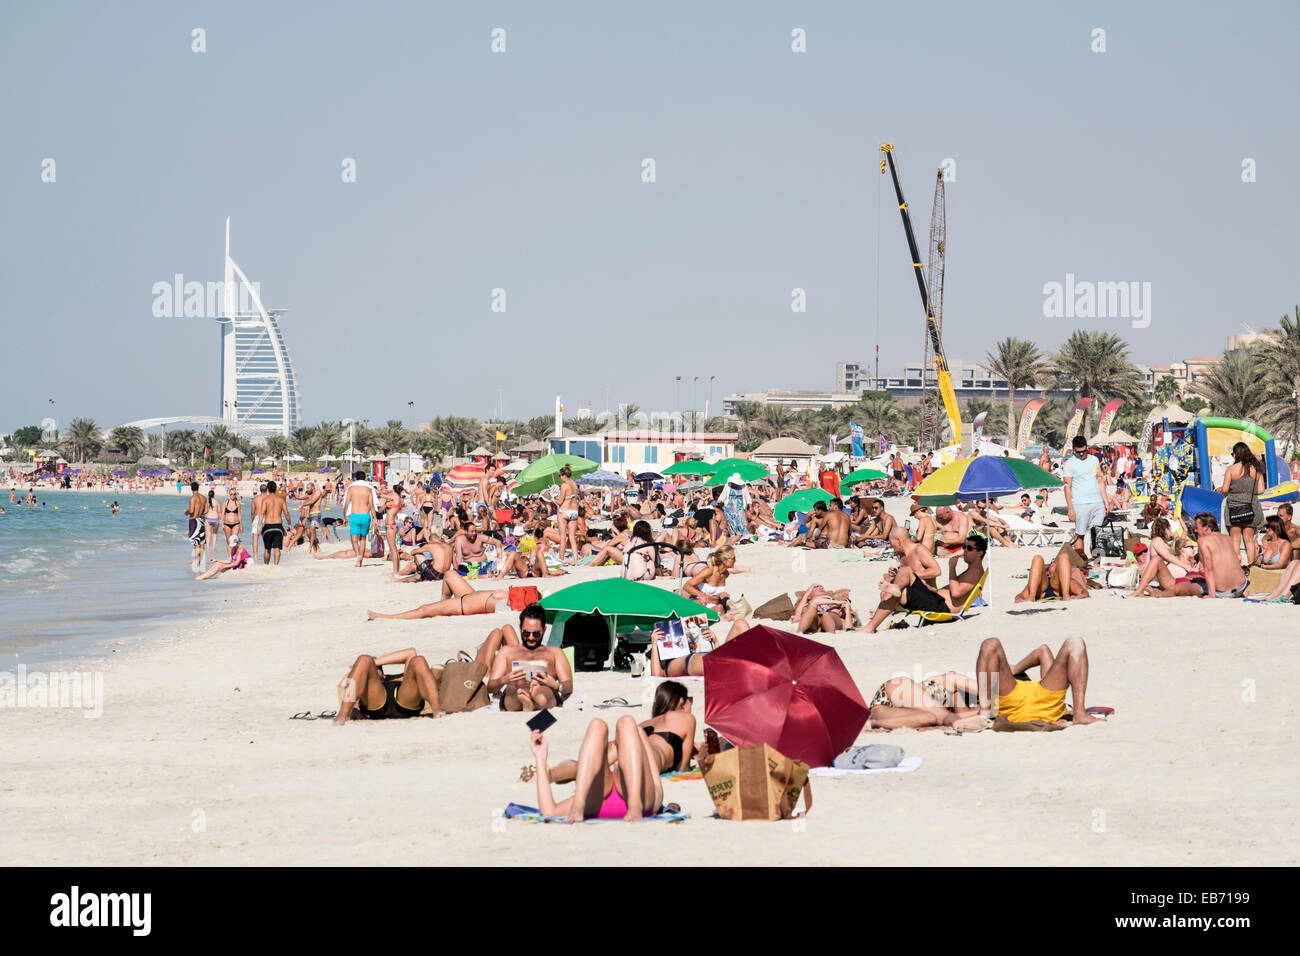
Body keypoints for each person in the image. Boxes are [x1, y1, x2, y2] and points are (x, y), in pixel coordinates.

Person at [528, 715, 665, 822]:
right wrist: (540, 756)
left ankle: (578, 805)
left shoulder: (590, 779)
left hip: (597, 803)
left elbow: (549, 812)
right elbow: (655, 781)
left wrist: (540, 760)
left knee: (618, 723)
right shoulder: (636, 735)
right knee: (605, 724)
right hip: (637, 799)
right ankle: (634, 806)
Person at [975, 637, 1099, 726]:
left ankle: (1079, 713)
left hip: (1040, 698)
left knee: (1075, 642)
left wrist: (1016, 669)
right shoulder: (1014, 684)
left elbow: (1042, 650)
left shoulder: (1040, 684)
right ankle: (1080, 712)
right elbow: (1042, 651)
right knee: (991, 643)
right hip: (1017, 701)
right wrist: (1016, 669)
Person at [483, 604, 573, 711]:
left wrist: (555, 685)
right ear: (520, 629)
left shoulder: (554, 652)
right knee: (517, 686)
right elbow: (490, 687)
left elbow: (568, 685)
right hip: (515, 690)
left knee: (542, 689)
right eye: (526, 633)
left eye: (536, 634)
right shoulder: (507, 651)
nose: (530, 638)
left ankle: (535, 699)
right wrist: (504, 679)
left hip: (545, 690)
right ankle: (527, 700)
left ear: (544, 630)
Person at [333, 647, 445, 725]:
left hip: (404, 701)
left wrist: (374, 662)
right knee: (363, 658)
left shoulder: (403, 679)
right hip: (376, 702)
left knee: (419, 660)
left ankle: (437, 709)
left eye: (376, 669)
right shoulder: (362, 685)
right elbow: (351, 687)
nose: (371, 670)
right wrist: (362, 665)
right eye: (369, 670)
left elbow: (410, 652)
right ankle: (343, 715)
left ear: (384, 675)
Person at [864, 527, 942, 631]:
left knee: (890, 592)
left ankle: (871, 626)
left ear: (900, 541)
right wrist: (896, 574)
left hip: (929, 595)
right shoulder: (902, 555)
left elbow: (936, 571)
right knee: (884, 592)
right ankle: (871, 625)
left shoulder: (919, 549)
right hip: (914, 594)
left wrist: (910, 574)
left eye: (891, 543)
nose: (890, 545)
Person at [366, 567, 512, 620]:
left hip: (463, 605)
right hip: (471, 595)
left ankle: (385, 616)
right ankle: (442, 604)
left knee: (423, 609)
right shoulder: (515, 600)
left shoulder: (506, 607)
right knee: (449, 574)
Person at [1062, 435, 1115, 556]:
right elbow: (1067, 487)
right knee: (1080, 534)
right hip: (1080, 504)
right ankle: (1081, 564)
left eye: (1083, 451)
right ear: (1074, 450)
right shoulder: (1069, 464)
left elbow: (1100, 481)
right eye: (1078, 452)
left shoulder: (1094, 460)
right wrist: (1070, 509)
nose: (1081, 454)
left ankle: (1096, 563)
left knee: (1097, 533)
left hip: (1097, 503)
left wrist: (1106, 502)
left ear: (1087, 448)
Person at [1220, 441, 1266, 566]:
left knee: (1235, 539)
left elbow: (1224, 489)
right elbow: (1261, 490)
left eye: (1232, 453)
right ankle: (1251, 567)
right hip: (1251, 506)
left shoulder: (1231, 469)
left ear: (1236, 454)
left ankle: (1236, 566)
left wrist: (1232, 493)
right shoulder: (1257, 469)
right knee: (1249, 540)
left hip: (1234, 507)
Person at [1192, 511, 1248, 598]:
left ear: (1206, 527)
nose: (1195, 530)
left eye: (1196, 527)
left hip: (1223, 592)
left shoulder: (1203, 540)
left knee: (1183, 587)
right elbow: (1235, 562)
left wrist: (1211, 595)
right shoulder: (1227, 538)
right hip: (1242, 586)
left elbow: (1208, 568)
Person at [343, 470, 380, 568]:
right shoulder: (368, 489)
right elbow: (372, 505)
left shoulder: (351, 489)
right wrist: (375, 518)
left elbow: (346, 504)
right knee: (363, 539)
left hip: (355, 515)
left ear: (355, 478)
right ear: (364, 478)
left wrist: (344, 517)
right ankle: (360, 560)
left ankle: (358, 555)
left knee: (354, 539)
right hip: (365, 515)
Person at [253, 480, 293, 566]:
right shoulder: (281, 500)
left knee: (267, 549)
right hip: (278, 526)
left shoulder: (265, 500)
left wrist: (259, 526)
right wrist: (289, 523)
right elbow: (286, 513)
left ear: (267, 489)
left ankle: (266, 566)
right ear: (275, 489)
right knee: (277, 548)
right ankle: (276, 566)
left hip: (268, 526)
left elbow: (262, 514)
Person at [556, 464, 581, 566]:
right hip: (574, 512)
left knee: (563, 538)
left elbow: (560, 502)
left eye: (560, 476)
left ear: (563, 475)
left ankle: (560, 560)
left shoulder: (564, 485)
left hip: (564, 511)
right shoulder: (574, 485)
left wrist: (553, 498)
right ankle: (576, 561)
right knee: (572, 538)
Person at [185, 481, 207, 570]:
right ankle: (201, 561)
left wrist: (186, 512)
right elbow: (206, 511)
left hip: (194, 520)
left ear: (191, 488)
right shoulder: (204, 498)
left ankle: (197, 561)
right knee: (201, 542)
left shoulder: (193, 498)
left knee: (196, 542)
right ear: (198, 488)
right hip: (201, 520)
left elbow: (192, 510)